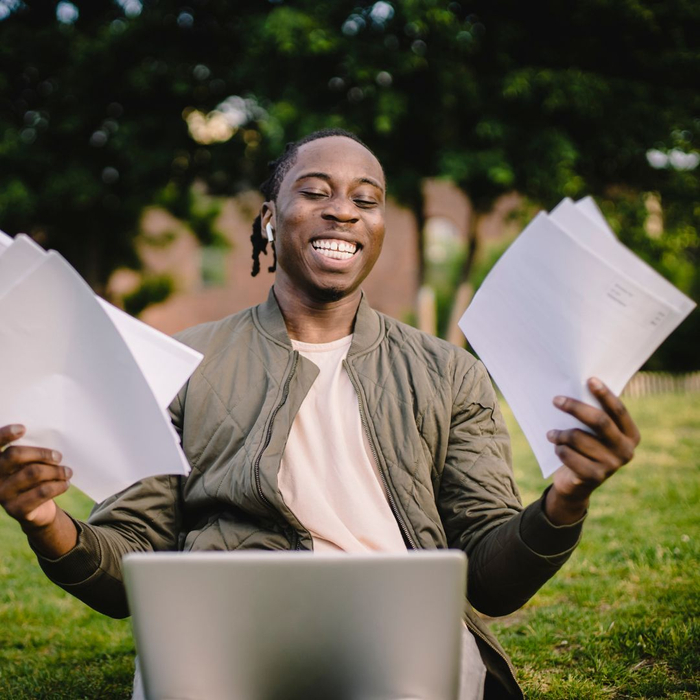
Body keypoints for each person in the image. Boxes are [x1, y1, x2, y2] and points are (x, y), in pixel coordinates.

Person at [0, 129, 640, 699]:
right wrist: (45, 519)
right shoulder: (181, 364)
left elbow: (494, 582)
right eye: (316, 192)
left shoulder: (450, 374)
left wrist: (566, 499)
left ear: (381, 227)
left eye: (366, 200)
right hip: (227, 637)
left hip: (401, 646)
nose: (344, 211)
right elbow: (125, 573)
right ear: (270, 219)